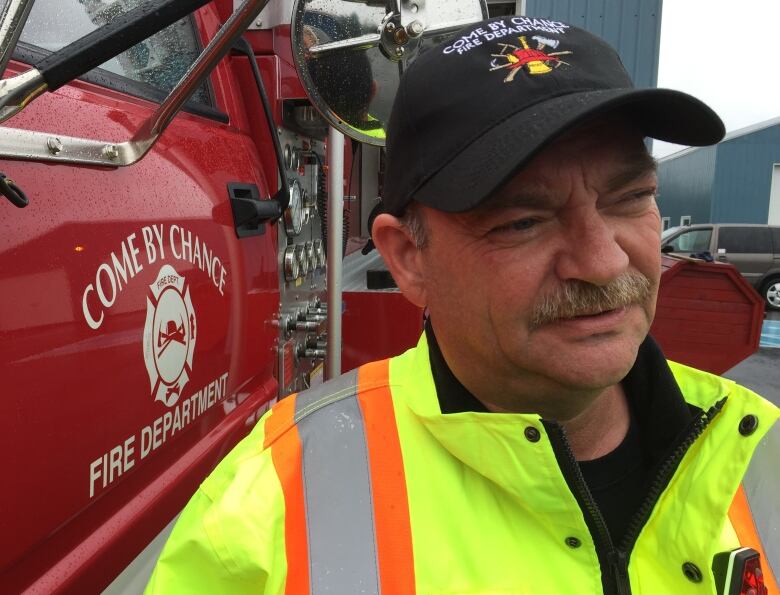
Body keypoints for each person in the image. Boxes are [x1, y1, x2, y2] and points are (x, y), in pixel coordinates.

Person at [146, 17, 778, 594]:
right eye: (524, 222)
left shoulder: (761, 457)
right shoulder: (271, 510)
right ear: (408, 258)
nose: (606, 262)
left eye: (629, 198)